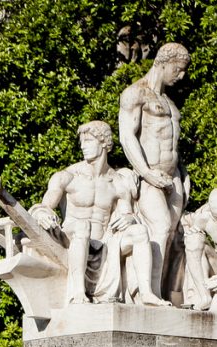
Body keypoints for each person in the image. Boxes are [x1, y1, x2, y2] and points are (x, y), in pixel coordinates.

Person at [29, 120, 170, 306]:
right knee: (82, 225)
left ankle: (146, 293)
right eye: (81, 141)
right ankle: (78, 292)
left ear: (104, 142)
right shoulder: (67, 177)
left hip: (105, 244)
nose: (82, 146)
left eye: (88, 141)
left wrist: (129, 219)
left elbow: (127, 213)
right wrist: (41, 214)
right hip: (73, 237)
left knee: (140, 232)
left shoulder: (117, 182)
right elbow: (43, 206)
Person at [119, 42, 192, 300]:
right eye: (178, 69)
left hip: (173, 179)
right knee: (159, 227)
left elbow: (171, 144)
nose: (181, 75)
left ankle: (158, 293)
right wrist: (147, 173)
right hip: (149, 176)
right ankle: (144, 293)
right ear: (163, 62)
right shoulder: (135, 94)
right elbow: (127, 137)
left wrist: (182, 174)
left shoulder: (170, 104)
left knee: (171, 234)